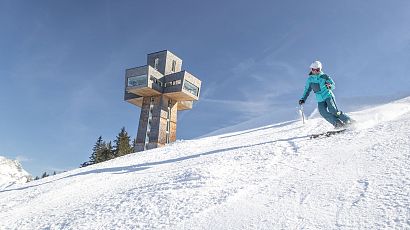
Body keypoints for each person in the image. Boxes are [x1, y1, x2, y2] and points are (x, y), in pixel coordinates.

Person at [299, 61, 353, 129]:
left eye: (317, 70)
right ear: (311, 69)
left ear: (320, 69)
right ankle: (337, 124)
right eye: (313, 69)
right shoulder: (310, 80)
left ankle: (349, 121)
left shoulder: (324, 76)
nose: (315, 71)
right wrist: (303, 99)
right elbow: (307, 90)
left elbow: (333, 85)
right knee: (323, 112)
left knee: (334, 111)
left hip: (328, 96)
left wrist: (329, 86)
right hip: (320, 99)